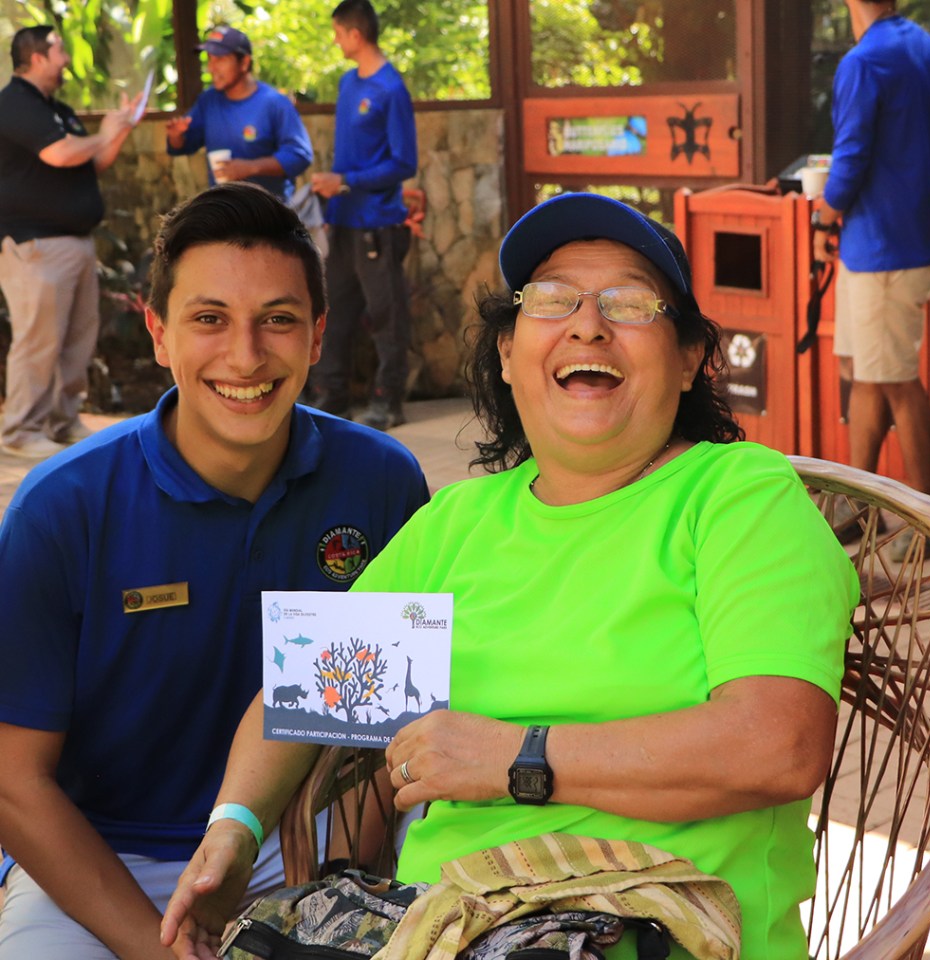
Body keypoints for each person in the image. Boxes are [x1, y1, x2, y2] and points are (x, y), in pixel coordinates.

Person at [161, 192, 860, 960]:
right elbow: (301, 697)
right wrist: (234, 829)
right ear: (505, 352)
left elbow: (776, 744)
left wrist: (515, 759)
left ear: (691, 357)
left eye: (629, 302)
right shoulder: (461, 523)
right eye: (553, 299)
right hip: (443, 927)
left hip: (662, 929)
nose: (587, 324)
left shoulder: (735, 496)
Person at [0, 182, 429, 959]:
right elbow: (14, 782)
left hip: (307, 840)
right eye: (209, 320)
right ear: (159, 332)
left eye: (278, 321)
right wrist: (153, 946)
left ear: (318, 334)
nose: (245, 355)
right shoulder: (60, 508)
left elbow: (384, 718)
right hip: (107, 857)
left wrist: (336, 880)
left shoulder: (382, 482)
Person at [813, 0, 930, 537]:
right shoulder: (925, 47)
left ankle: (928, 527)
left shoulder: (862, 62)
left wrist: (822, 218)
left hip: (881, 252)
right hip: (898, 241)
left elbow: (848, 161)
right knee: (863, 373)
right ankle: (863, 505)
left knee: (896, 381)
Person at [0, 26, 141, 459]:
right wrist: (105, 130)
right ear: (36, 57)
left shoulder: (57, 110)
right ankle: (21, 431)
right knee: (38, 340)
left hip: (75, 242)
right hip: (36, 244)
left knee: (78, 338)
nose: (66, 58)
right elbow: (59, 154)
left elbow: (90, 162)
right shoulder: (14, 104)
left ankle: (63, 422)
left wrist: (119, 128)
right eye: (59, 50)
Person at [307, 0, 418, 431]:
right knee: (332, 310)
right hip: (345, 222)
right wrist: (334, 196)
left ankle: (388, 401)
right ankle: (330, 395)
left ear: (355, 34)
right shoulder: (348, 83)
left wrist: (346, 180)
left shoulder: (391, 89)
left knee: (387, 314)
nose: (334, 40)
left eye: (337, 32)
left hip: (378, 224)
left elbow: (404, 163)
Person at [166, 26, 313, 202]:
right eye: (209, 59)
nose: (211, 68)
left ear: (244, 62)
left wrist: (250, 168)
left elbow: (299, 156)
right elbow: (183, 145)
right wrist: (176, 136)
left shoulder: (274, 103)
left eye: (220, 59)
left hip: (269, 215)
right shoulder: (208, 101)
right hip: (225, 212)